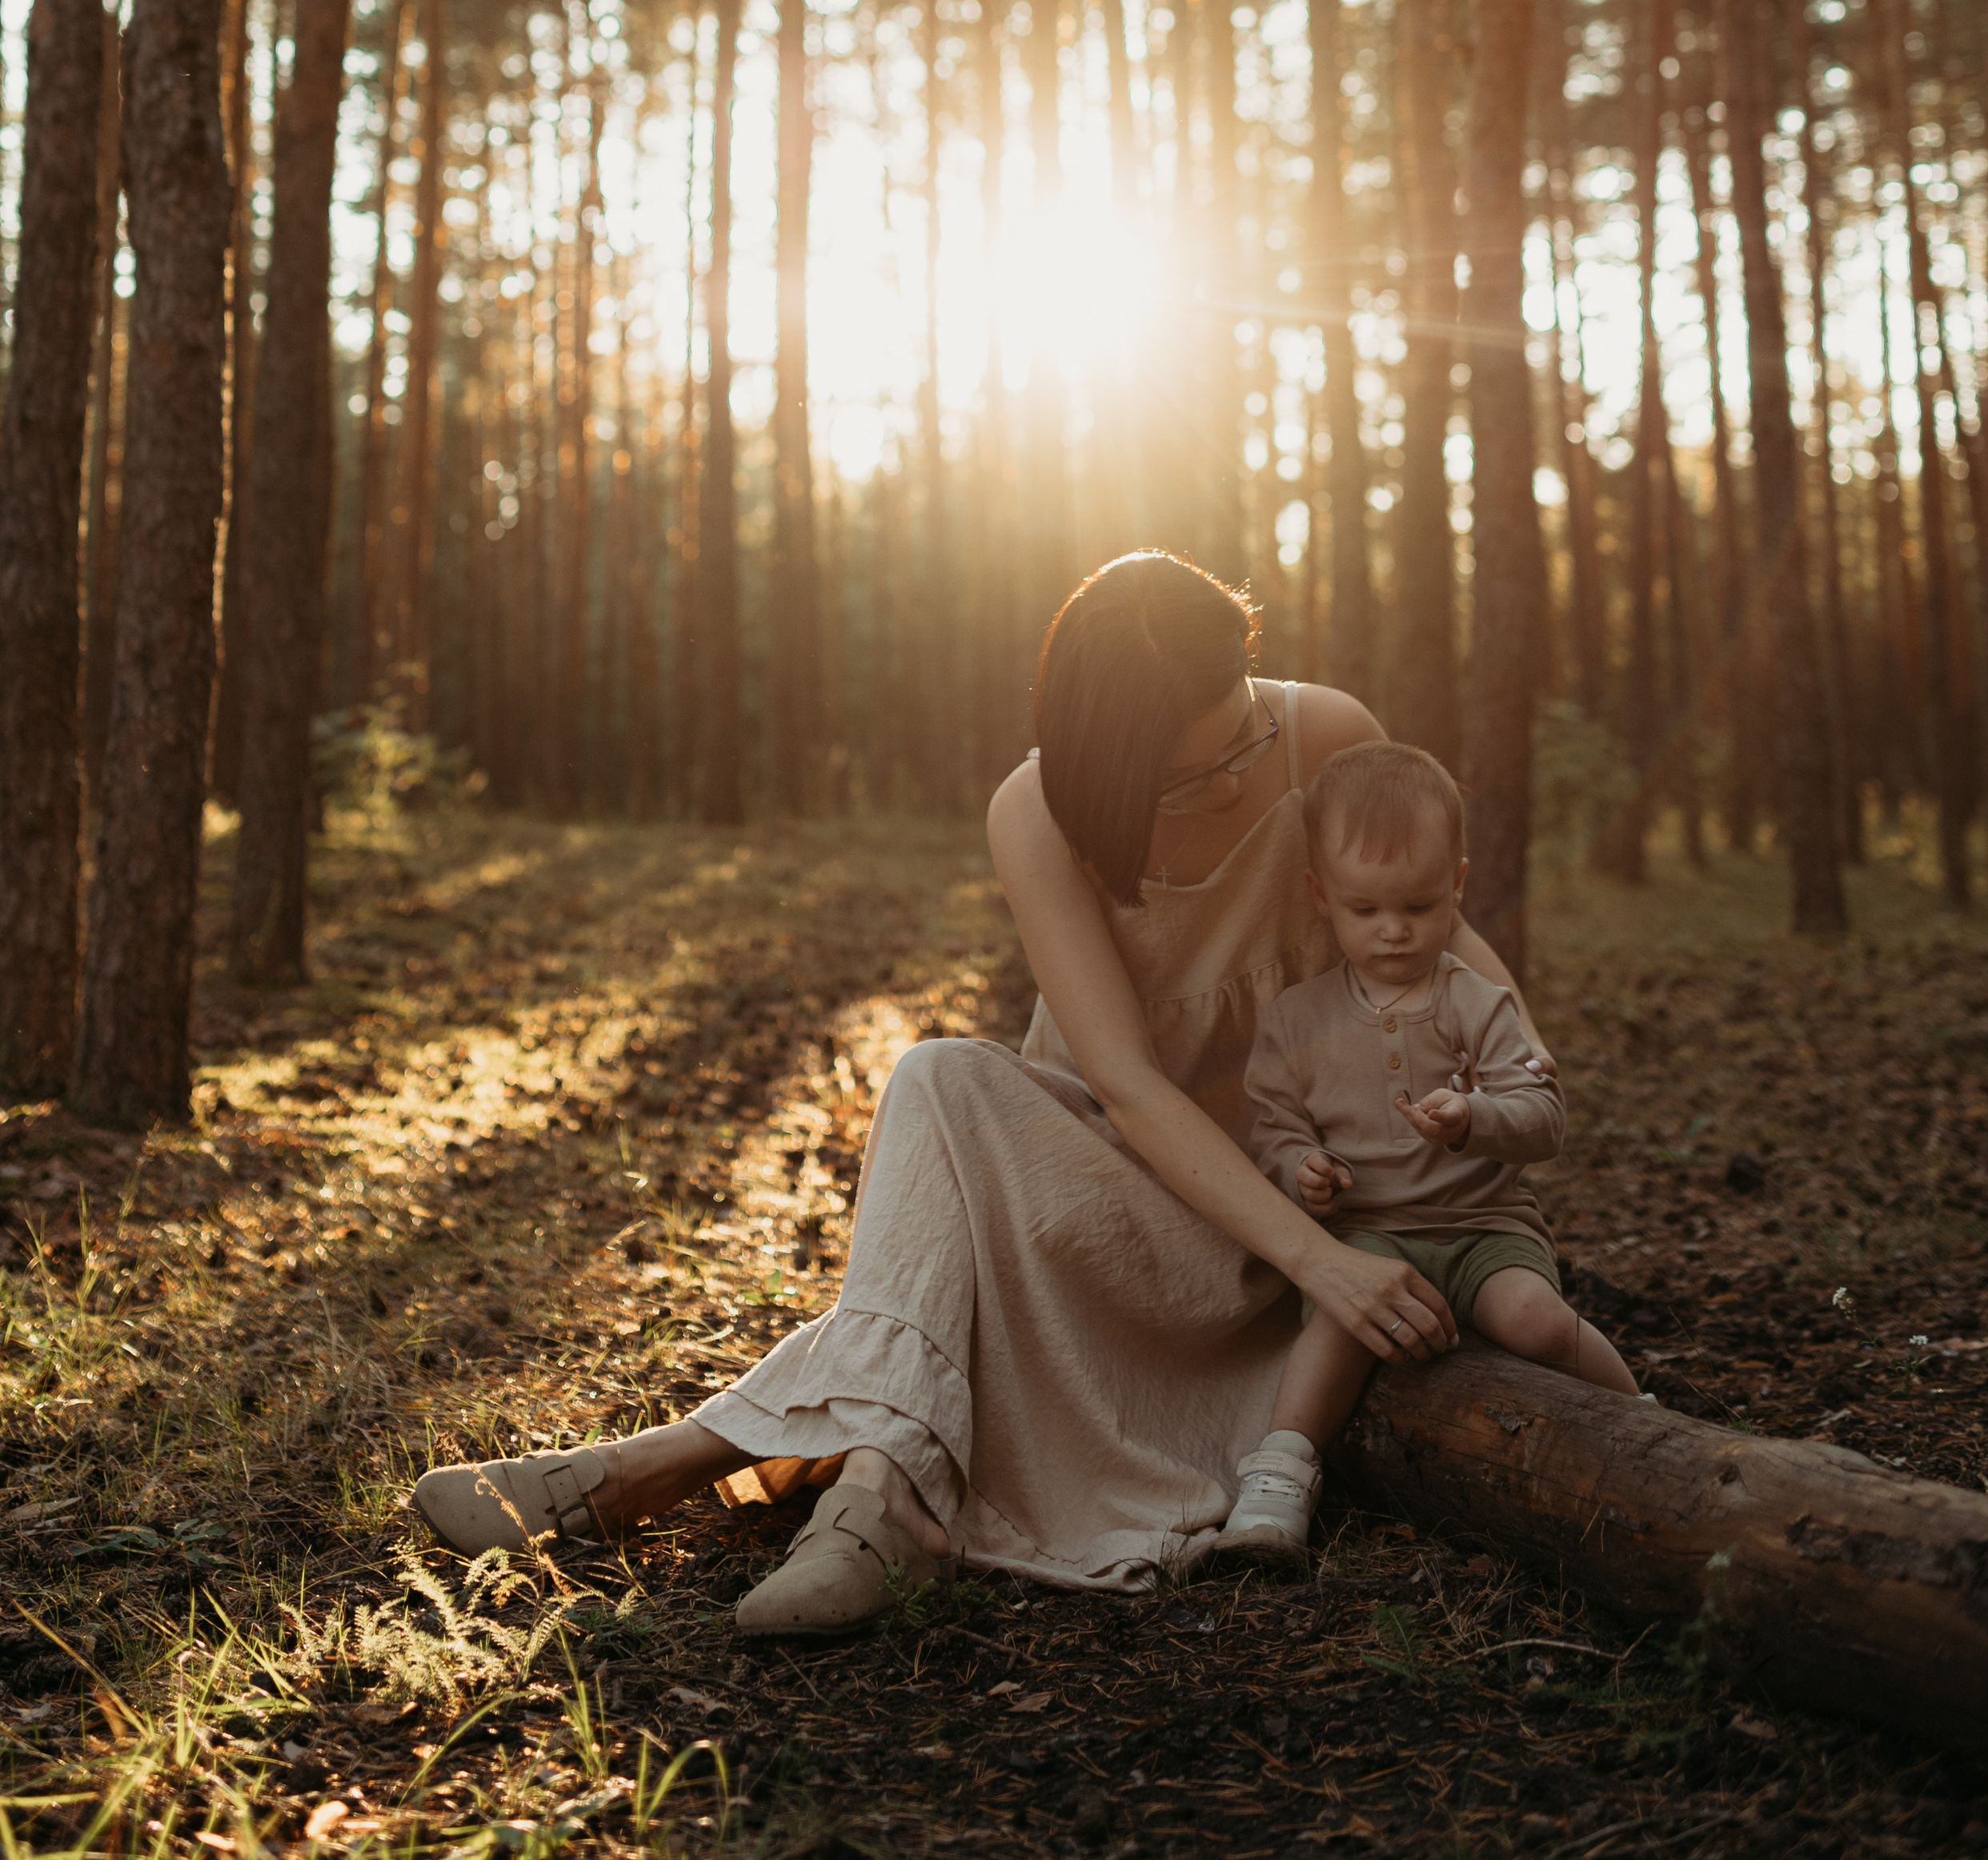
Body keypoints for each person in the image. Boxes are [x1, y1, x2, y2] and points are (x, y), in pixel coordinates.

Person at [410, 553, 1550, 1633]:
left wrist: (1512, 1085)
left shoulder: (1323, 735)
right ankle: (827, 1488)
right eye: (1192, 771)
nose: (1236, 773)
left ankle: (712, 1471)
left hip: (1283, 1211)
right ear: (1114, 757)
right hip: (1103, 1199)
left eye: (1244, 736)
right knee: (942, 1076)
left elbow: (1439, 942)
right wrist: (1327, 1266)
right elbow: (1124, 1085)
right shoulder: (1040, 812)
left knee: (937, 1241)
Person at [1217, 739, 1637, 1564]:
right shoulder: (1296, 1018)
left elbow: (1544, 1116)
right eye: (1364, 909)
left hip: (1485, 1222)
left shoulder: (1475, 1001)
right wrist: (1304, 1168)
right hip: (1366, 1234)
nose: (1393, 931)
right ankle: (1280, 1472)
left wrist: (1476, 1115)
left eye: (1417, 904)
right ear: (1319, 896)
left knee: (1534, 1317)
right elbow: (1270, 1123)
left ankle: (1646, 1419)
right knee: (1339, 1327)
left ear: (1456, 885)